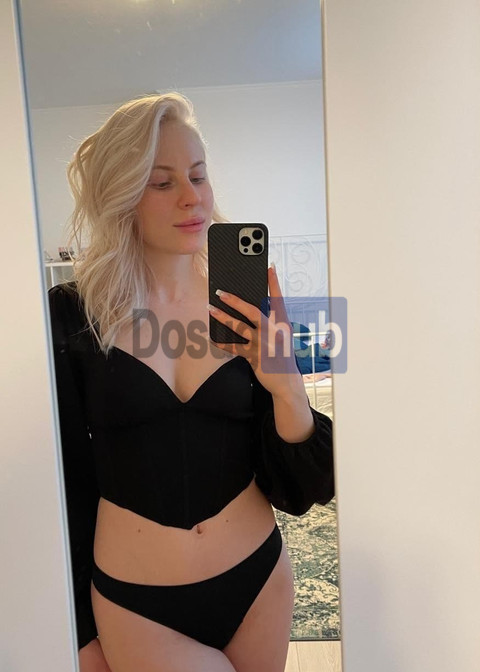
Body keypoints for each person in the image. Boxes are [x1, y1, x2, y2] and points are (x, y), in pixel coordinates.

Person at [48, 93, 334, 672]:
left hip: (258, 581)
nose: (191, 197)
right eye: (162, 182)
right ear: (122, 193)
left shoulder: (240, 306)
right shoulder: (73, 314)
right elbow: (63, 479)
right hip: (136, 605)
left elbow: (305, 489)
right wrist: (78, 627)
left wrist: (287, 388)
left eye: (198, 176)